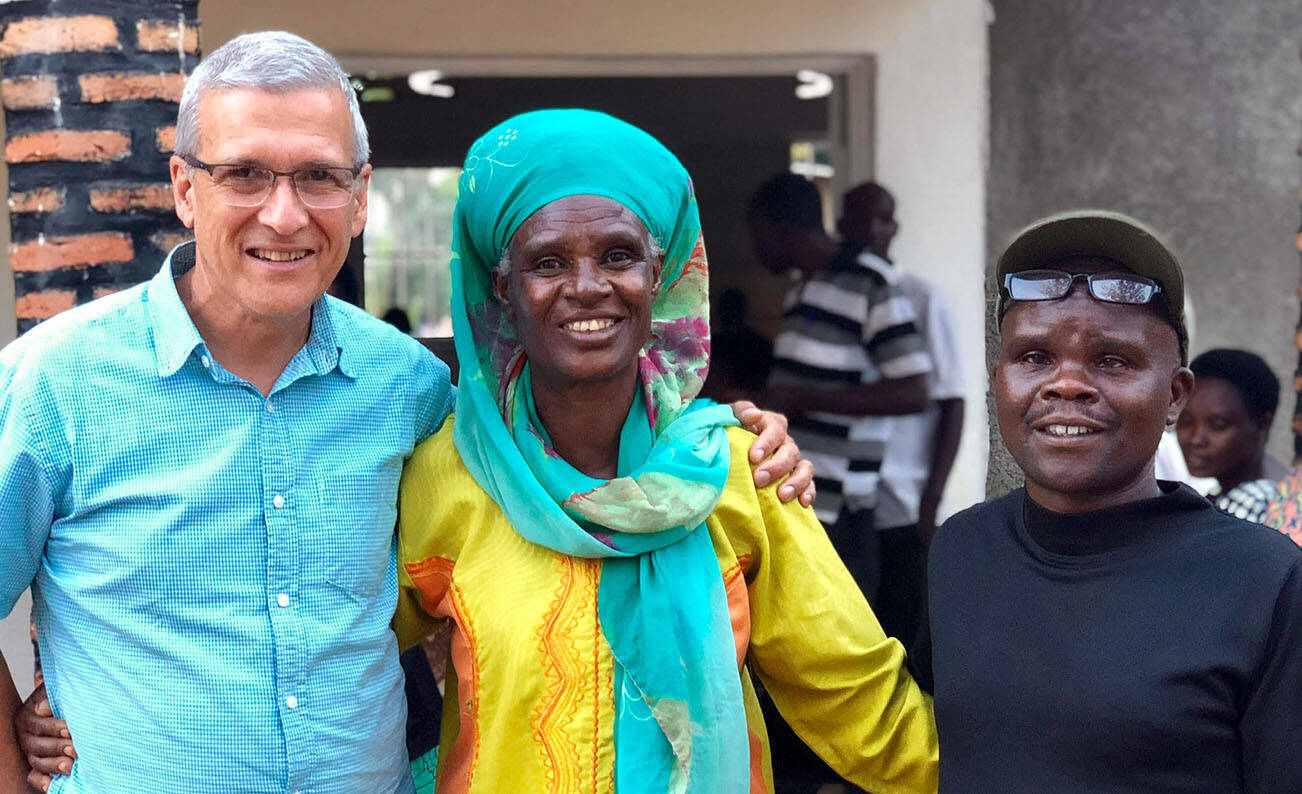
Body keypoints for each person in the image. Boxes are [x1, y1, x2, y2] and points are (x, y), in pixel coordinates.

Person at [2, 34, 812, 794]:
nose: (284, 215)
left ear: (360, 198)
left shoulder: (411, 390)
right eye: (245, 174)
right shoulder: (59, 386)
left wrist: (722, 436)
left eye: (318, 177)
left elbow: (550, 475)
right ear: (185, 188)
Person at [390, 109, 939, 793]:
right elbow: (338, 656)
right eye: (548, 262)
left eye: (618, 255)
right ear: (505, 290)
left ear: (661, 274)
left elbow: (856, 700)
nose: (587, 286)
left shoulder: (736, 470)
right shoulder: (447, 473)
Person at [920, 210, 1302, 792]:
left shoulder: (1266, 583)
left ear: (1175, 396)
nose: (1065, 383)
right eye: (1033, 357)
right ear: (999, 379)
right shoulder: (961, 550)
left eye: (1112, 361)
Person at [749, 173, 931, 600]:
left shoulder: (870, 283)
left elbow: (913, 391)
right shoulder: (800, 291)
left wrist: (802, 400)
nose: (755, 249)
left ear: (785, 231)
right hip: (797, 496)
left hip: (841, 512)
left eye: (758, 235)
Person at [838, 181, 965, 643]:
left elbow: (952, 401)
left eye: (880, 218)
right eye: (856, 218)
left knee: (905, 630)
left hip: (907, 502)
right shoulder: (839, 296)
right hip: (853, 497)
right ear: (841, 225)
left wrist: (932, 496)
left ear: (893, 228)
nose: (868, 229)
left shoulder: (922, 299)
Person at [1176, 348, 1279, 522]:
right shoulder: (1218, 498)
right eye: (1186, 422)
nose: (1196, 439)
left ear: (1262, 424)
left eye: (1218, 425)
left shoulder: (1253, 504)